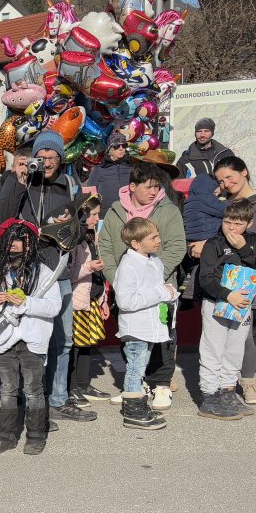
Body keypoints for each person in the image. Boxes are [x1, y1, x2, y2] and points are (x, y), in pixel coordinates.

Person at [0, 132, 95, 424]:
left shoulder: (70, 185)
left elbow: (81, 228)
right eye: (42, 156)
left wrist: (71, 226)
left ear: (61, 159)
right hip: (25, 275)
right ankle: (28, 401)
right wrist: (19, 180)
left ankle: (59, 399)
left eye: (52, 157)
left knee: (62, 340)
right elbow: (0, 218)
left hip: (58, 271)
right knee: (25, 341)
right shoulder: (20, 181)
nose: (46, 162)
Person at [98, 161, 187, 409]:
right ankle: (136, 385)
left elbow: (177, 246)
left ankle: (161, 385)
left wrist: (154, 277)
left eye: (156, 187)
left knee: (162, 336)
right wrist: (117, 278)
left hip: (160, 286)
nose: (153, 191)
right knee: (130, 335)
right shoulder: (116, 210)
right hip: (125, 287)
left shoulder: (168, 210)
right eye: (148, 187)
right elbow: (104, 246)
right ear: (132, 187)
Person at [0, 220, 61, 454]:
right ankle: (5, 435)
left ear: (30, 244)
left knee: (33, 390)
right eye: (11, 239)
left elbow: (54, 307)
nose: (14, 245)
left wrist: (27, 303)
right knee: (7, 389)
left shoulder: (43, 272)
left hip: (33, 341)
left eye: (20, 240)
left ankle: (36, 435)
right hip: (4, 341)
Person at [211, 156, 256, 405]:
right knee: (218, 330)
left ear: (245, 172)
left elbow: (253, 237)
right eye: (221, 180)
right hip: (219, 270)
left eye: (230, 176)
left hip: (246, 273)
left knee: (244, 331)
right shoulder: (220, 204)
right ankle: (222, 381)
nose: (226, 183)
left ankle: (248, 381)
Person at [196, 199, 256, 421]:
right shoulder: (214, 244)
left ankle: (227, 390)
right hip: (217, 302)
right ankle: (209, 394)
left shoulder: (253, 240)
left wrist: (243, 248)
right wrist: (228, 294)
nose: (231, 228)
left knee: (235, 348)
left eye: (237, 224)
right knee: (213, 348)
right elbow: (205, 278)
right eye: (228, 222)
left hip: (242, 305)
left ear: (249, 223)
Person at [113, 217, 175, 430]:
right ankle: (133, 410)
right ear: (135, 243)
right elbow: (126, 301)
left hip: (151, 326)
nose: (158, 240)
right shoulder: (129, 265)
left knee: (141, 366)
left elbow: (157, 287)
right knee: (136, 369)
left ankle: (138, 403)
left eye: (157, 235)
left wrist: (168, 291)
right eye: (153, 237)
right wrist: (160, 293)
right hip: (136, 328)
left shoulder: (154, 260)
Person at [69, 200, 111, 405]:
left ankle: (84, 384)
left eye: (97, 214)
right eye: (93, 215)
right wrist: (89, 268)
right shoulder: (75, 240)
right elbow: (68, 274)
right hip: (78, 299)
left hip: (92, 297)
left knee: (87, 344)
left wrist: (103, 298)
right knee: (76, 345)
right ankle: (72, 387)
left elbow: (100, 274)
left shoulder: (93, 236)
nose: (96, 219)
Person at [85, 132, 132, 211]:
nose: (121, 149)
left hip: (127, 211)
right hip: (104, 213)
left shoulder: (130, 168)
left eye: (124, 145)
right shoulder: (99, 169)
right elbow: (90, 192)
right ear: (110, 148)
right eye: (117, 146)